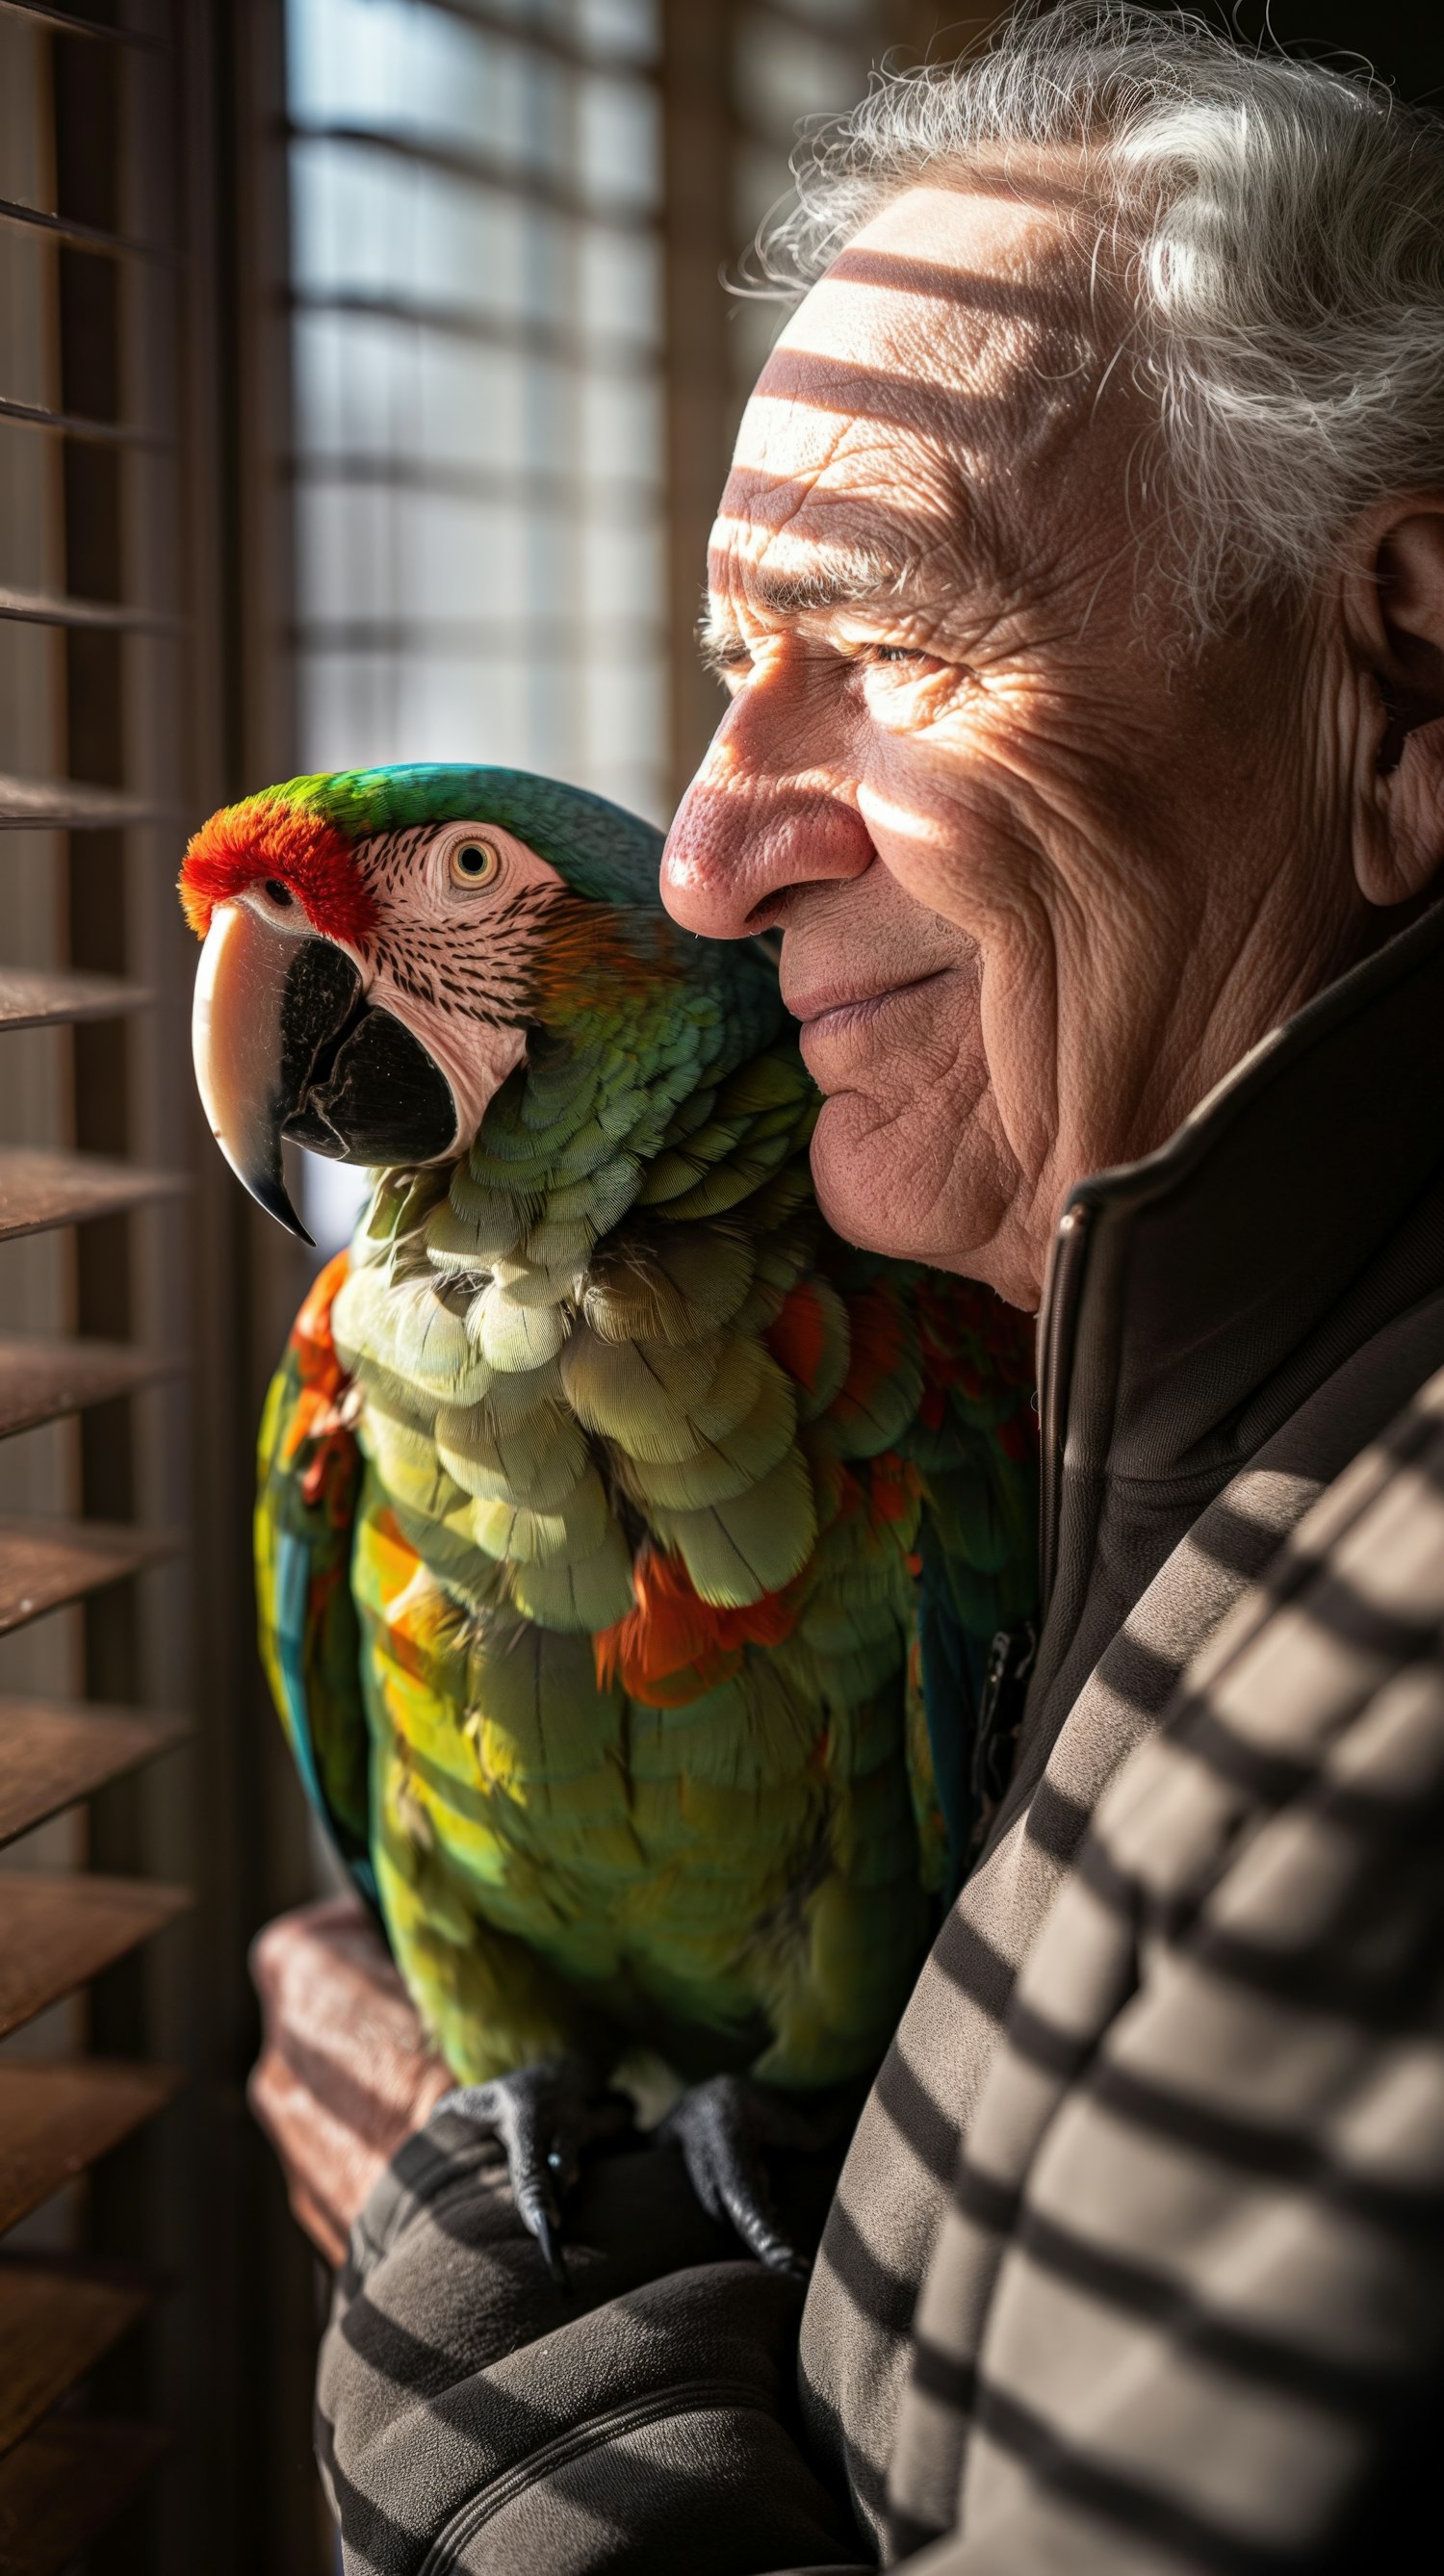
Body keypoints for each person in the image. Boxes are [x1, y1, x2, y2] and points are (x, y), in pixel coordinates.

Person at [252, 6, 1444, 2565]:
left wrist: (450, 2310)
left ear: (1408, 673)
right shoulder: (1170, 1420)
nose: (696, 859)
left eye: (880, 636)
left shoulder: (1379, 1640)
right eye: (724, 680)